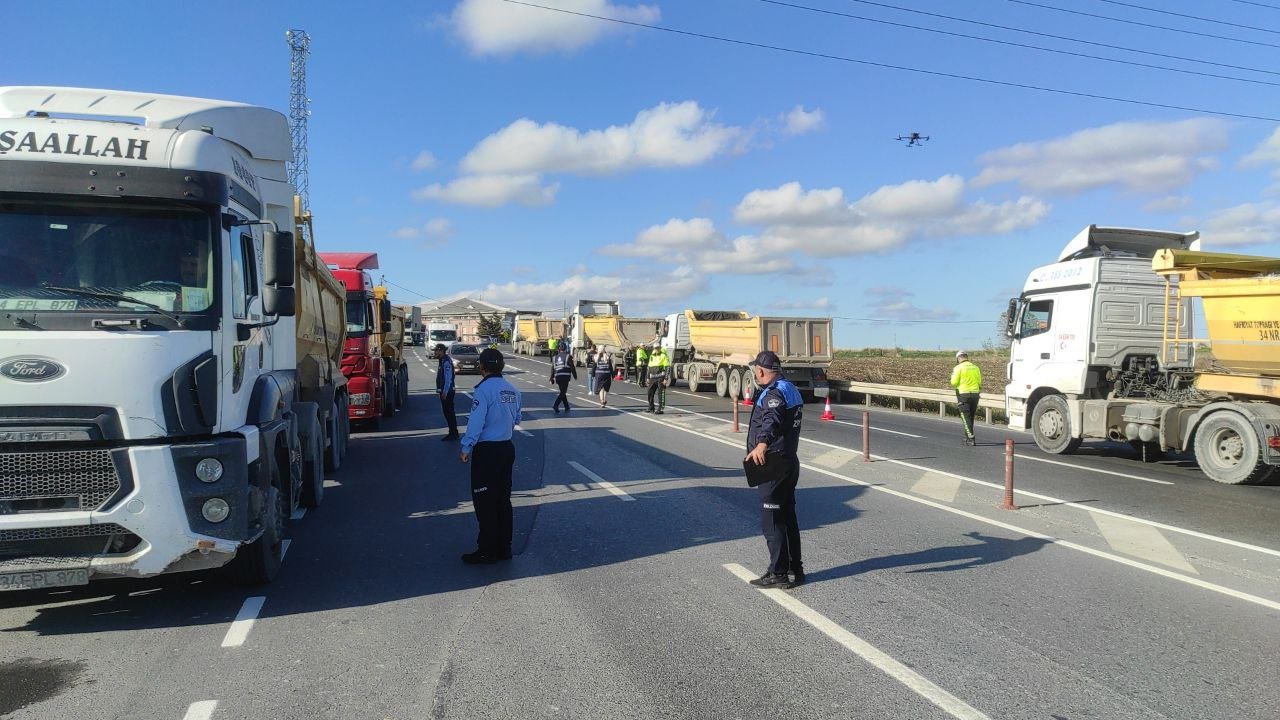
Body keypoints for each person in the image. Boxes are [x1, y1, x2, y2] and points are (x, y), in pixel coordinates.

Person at [744, 350, 805, 589]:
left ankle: (778, 572)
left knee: (772, 518)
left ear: (760, 371)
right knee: (788, 517)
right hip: (790, 461)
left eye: (756, 371)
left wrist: (762, 444)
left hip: (772, 464)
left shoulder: (774, 394)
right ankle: (794, 569)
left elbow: (773, 418)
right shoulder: (790, 388)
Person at [459, 348, 522, 564]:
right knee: (503, 500)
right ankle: (504, 548)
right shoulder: (513, 390)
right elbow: (517, 418)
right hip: (506, 447)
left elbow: (476, 422)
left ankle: (486, 549)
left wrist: (466, 447)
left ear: (482, 367)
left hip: (487, 451)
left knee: (485, 501)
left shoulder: (483, 391)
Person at [950, 350, 983, 446]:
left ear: (958, 358)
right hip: (975, 395)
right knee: (970, 417)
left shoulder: (958, 368)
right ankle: (967, 436)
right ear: (966, 357)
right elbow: (979, 382)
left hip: (963, 395)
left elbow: (954, 382)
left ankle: (971, 438)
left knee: (965, 416)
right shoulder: (975, 367)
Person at [434, 343, 459, 441]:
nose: (435, 352)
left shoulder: (446, 362)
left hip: (448, 392)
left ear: (441, 351)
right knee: (447, 412)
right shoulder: (442, 360)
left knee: (449, 413)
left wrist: (444, 392)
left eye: (436, 350)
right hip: (446, 391)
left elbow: (448, 378)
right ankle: (452, 432)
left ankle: (453, 433)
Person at [550, 345, 577, 414]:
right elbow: (572, 367)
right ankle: (556, 405)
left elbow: (553, 369)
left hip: (558, 377)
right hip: (565, 377)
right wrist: (575, 375)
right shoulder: (568, 356)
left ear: (559, 349)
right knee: (563, 392)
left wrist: (551, 378)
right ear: (565, 349)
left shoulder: (554, 358)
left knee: (562, 391)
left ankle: (566, 406)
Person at [646, 345, 672, 414]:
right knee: (649, 392)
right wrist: (648, 377)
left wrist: (666, 378)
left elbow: (668, 368)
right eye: (655, 348)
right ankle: (651, 407)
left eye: (658, 348)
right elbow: (649, 367)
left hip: (660, 377)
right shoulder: (652, 356)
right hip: (652, 378)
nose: (656, 349)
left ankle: (660, 409)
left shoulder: (664, 355)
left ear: (660, 348)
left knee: (661, 393)